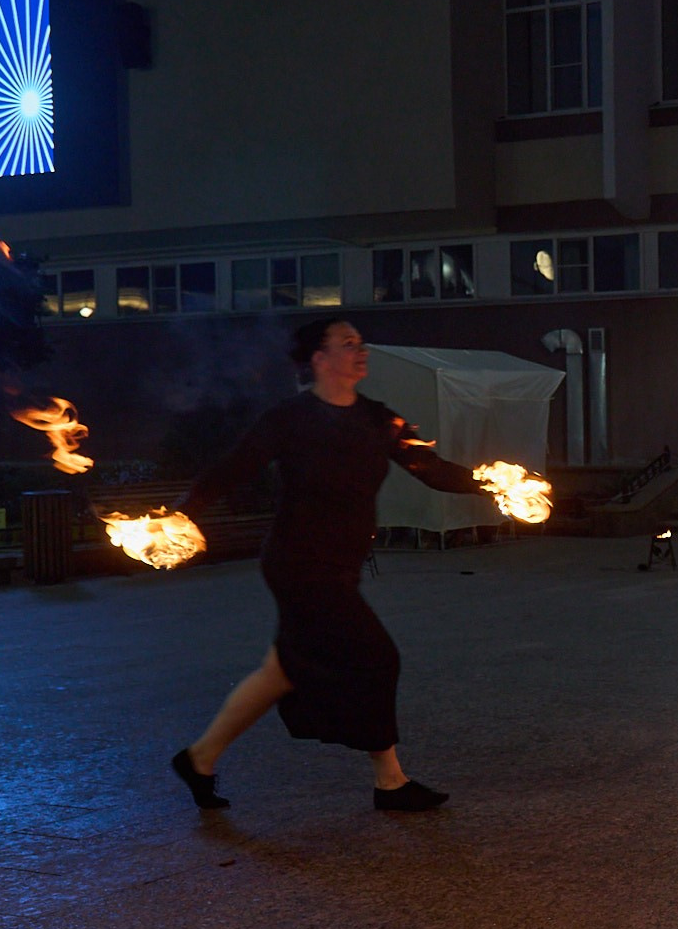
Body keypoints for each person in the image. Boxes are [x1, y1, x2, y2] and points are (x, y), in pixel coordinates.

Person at [169, 319, 487, 812]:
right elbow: (232, 468)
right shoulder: (290, 419)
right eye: (347, 344)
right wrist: (181, 511)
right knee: (378, 657)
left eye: (361, 343)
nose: (360, 351)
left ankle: (199, 759)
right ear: (319, 360)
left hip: (341, 563)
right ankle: (391, 783)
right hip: (299, 562)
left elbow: (430, 468)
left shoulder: (378, 420)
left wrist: (497, 485)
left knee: (280, 672)